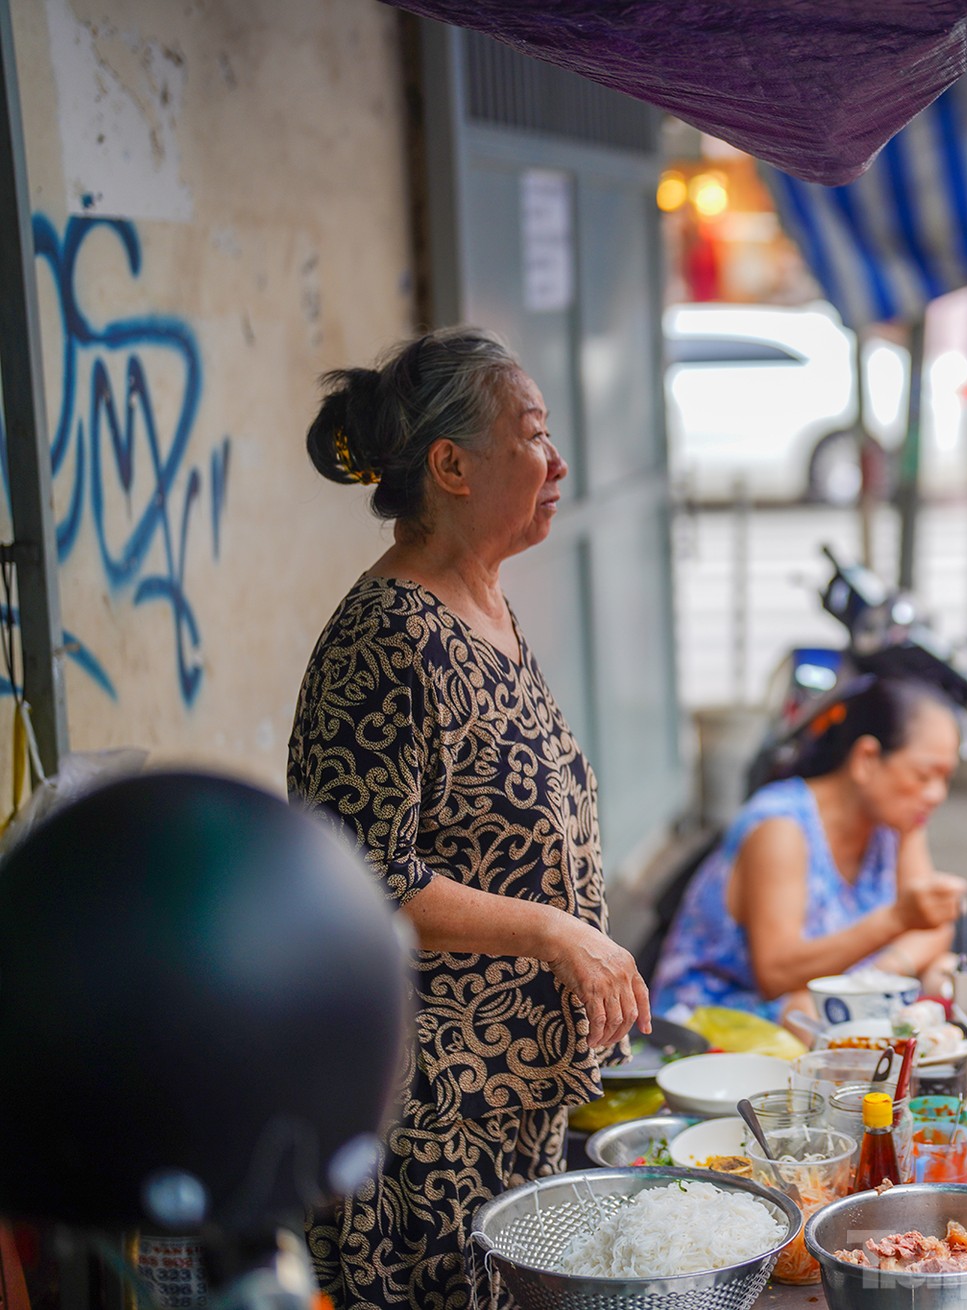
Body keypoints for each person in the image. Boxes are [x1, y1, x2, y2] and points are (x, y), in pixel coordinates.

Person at [288, 328, 650, 1309]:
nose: (558, 460)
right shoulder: (388, 638)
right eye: (532, 434)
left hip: (515, 1093)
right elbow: (357, 880)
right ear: (451, 464)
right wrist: (555, 929)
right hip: (432, 1111)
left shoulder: (483, 609)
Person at [654, 677, 967, 1021]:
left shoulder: (899, 822)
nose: (937, 794)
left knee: (943, 971)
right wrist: (895, 922)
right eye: (924, 776)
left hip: (824, 1001)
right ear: (866, 758)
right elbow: (775, 974)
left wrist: (879, 974)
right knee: (810, 1011)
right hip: (714, 1020)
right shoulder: (781, 827)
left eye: (946, 778)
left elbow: (932, 928)